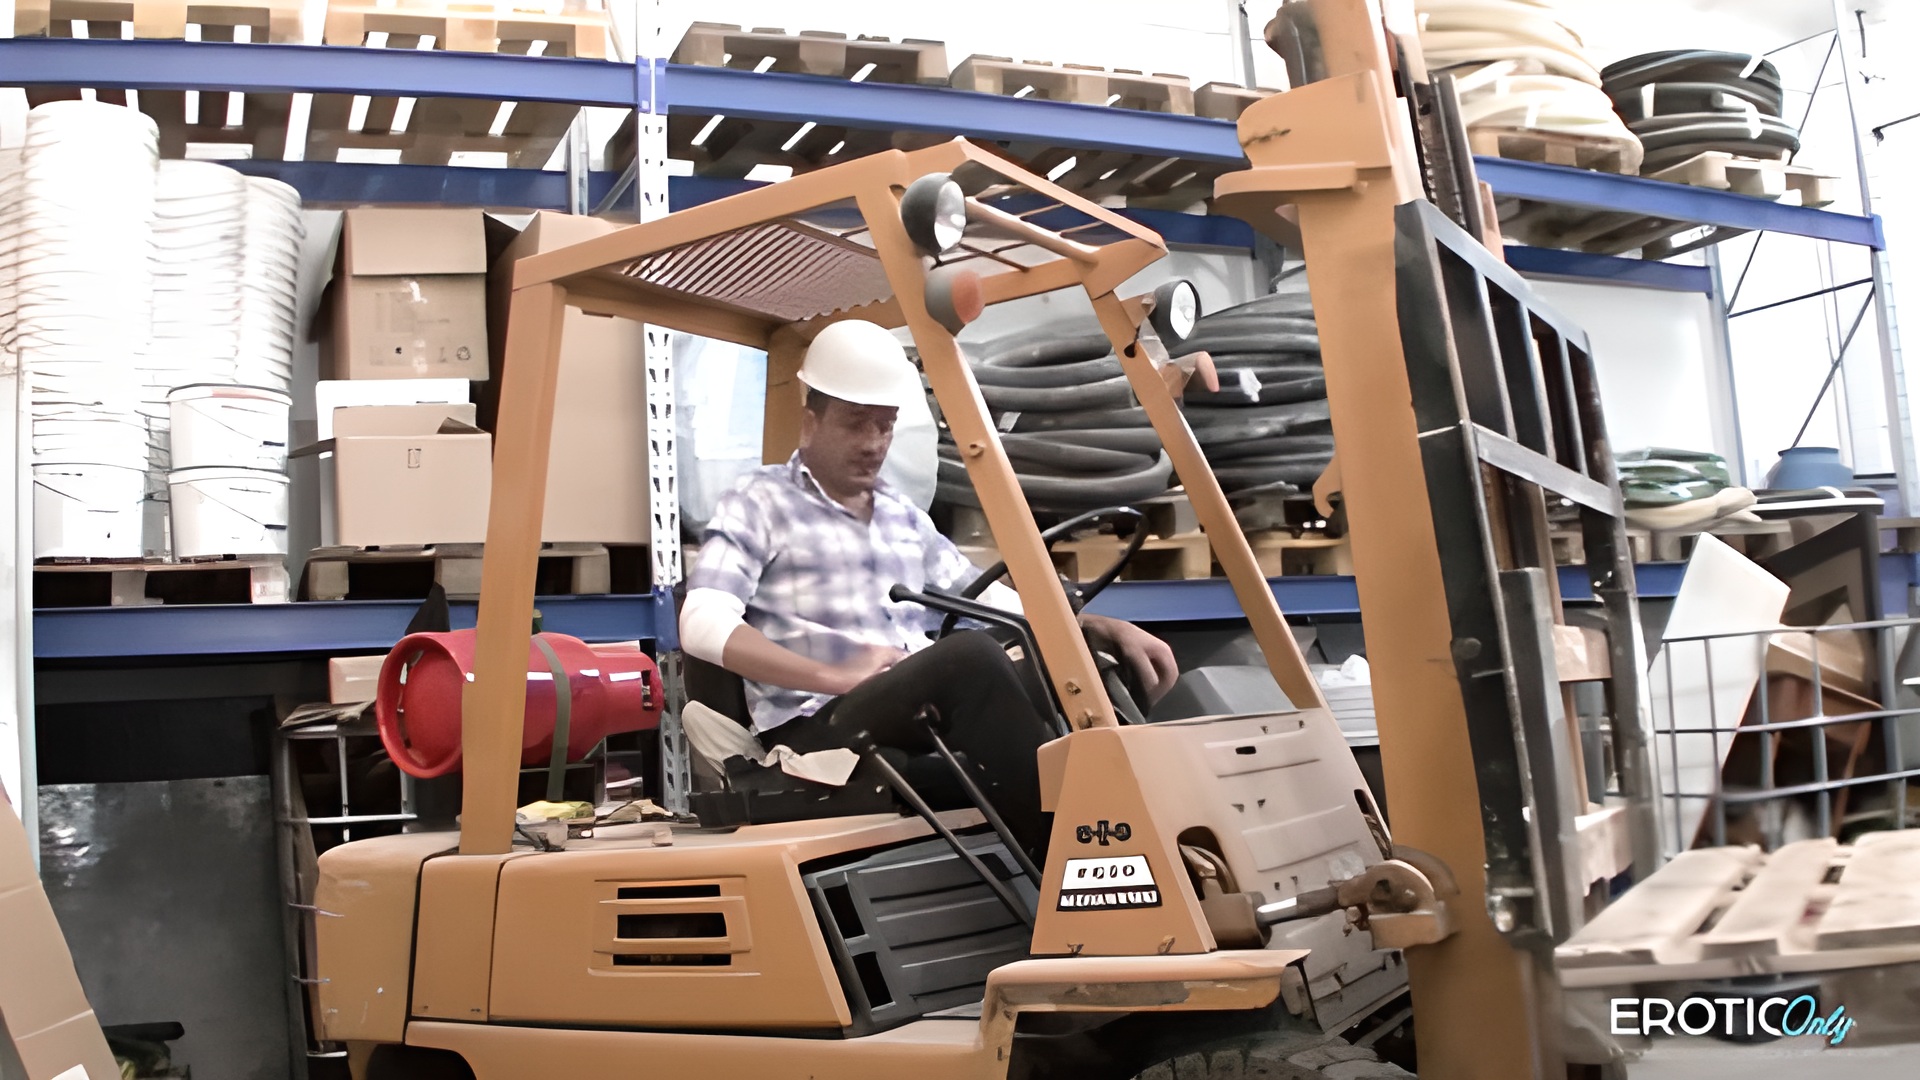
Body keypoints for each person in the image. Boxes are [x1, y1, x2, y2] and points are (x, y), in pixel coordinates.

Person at [680, 319, 1178, 855]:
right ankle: (1081, 865)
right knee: (971, 658)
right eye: (855, 424)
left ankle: (1153, 841)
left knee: (1078, 657)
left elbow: (993, 602)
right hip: (818, 726)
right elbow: (702, 623)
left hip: (908, 709)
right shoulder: (758, 504)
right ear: (811, 421)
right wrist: (833, 673)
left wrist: (1095, 627)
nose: (873, 443)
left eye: (885, 426)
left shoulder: (903, 517)